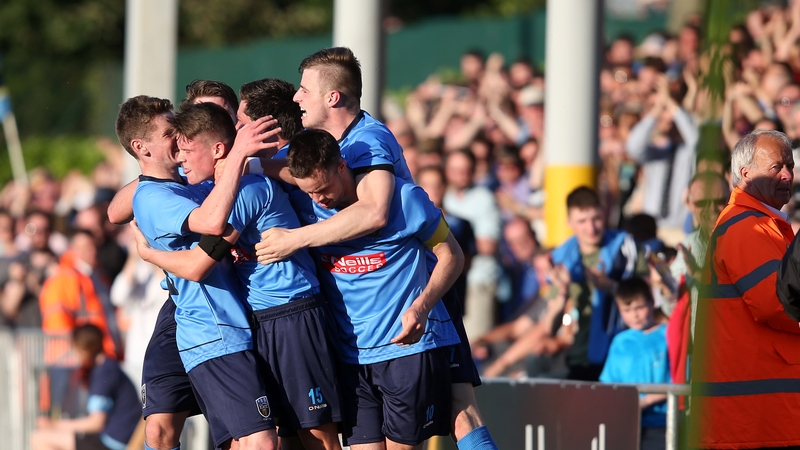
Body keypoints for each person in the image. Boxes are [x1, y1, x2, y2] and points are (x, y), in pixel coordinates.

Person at [255, 47, 497, 449]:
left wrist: (293, 240)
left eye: (304, 90)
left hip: (413, 293)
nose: (297, 98)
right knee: (457, 405)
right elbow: (288, 170)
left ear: (332, 97)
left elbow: (375, 212)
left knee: (460, 405)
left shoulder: (369, 140)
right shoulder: (320, 147)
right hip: (362, 333)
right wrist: (240, 161)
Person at [130, 102, 342, 450]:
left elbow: (198, 265)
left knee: (317, 437)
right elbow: (124, 203)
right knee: (284, 435)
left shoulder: (245, 191)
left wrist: (150, 254)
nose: (181, 158)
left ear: (216, 149)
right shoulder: (214, 189)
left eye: (186, 148)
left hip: (292, 315)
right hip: (260, 321)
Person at [116, 95, 281, 450]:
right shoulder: (152, 197)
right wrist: (238, 154)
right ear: (141, 148)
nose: (179, 138)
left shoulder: (188, 184)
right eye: (168, 132)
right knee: (260, 442)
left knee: (246, 441)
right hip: (210, 330)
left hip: (228, 325)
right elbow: (210, 223)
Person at [286, 128, 462, 449]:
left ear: (342, 166)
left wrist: (421, 307)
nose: (318, 199)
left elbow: (452, 255)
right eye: (309, 192)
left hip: (406, 351)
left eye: (323, 188)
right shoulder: (306, 207)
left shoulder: (404, 199)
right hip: (351, 359)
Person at [691, 129, 800, 449]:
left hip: (757, 419)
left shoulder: (760, 224)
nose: (787, 174)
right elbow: (776, 304)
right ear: (745, 173)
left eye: (790, 166)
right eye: (777, 167)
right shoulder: (746, 226)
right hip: (753, 422)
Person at [548, 186, 642, 381]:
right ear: (569, 222)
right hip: (578, 357)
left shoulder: (627, 247)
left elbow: (650, 298)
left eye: (596, 218)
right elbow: (550, 323)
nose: (591, 228)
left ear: (605, 214)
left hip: (623, 352)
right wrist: (561, 294)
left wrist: (610, 287)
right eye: (582, 221)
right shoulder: (561, 258)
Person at [30, 324, 141, 450]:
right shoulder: (107, 367)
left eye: (75, 350)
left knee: (39, 438)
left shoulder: (103, 374)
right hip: (117, 438)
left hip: (112, 443)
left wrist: (55, 424)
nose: (74, 356)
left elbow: (96, 423)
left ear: (85, 350)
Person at [599, 277, 670, 450]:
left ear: (652, 302)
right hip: (627, 425)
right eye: (627, 310)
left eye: (639, 307)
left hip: (662, 424)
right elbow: (609, 384)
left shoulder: (668, 335)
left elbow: (682, 379)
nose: (635, 315)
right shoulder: (619, 342)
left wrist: (646, 402)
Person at [39, 229, 122, 361]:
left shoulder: (98, 278)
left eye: (93, 246)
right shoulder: (63, 278)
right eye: (85, 247)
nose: (91, 251)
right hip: (74, 360)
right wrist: (77, 356)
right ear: (72, 249)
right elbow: (57, 323)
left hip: (98, 357)